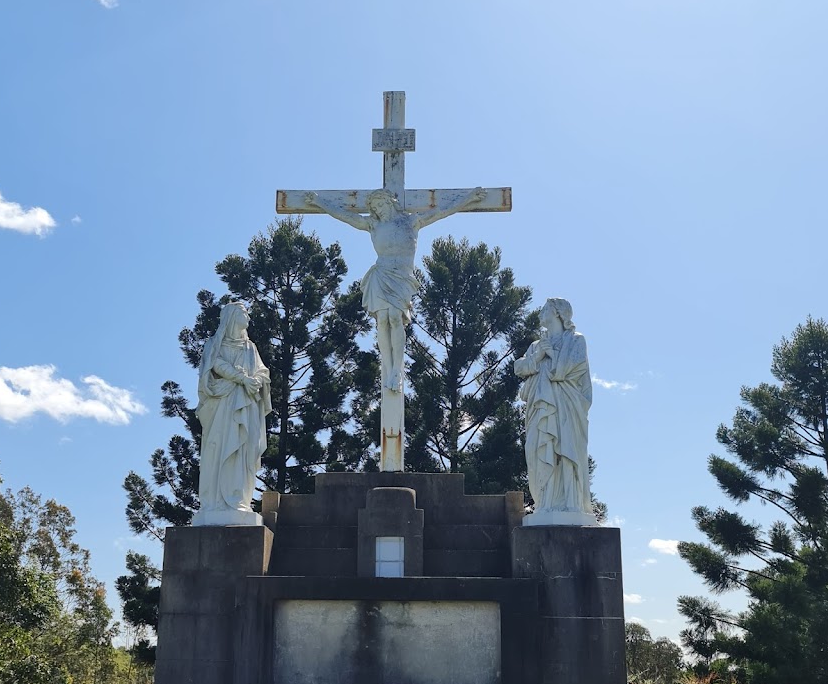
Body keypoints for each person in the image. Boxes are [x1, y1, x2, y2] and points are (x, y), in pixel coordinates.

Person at [303, 186, 486, 393]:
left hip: (401, 276)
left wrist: (469, 198)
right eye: (374, 207)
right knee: (382, 320)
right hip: (381, 274)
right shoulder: (373, 224)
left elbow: (444, 210)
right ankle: (388, 368)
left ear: (390, 202)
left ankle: (397, 369)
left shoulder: (411, 221)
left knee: (394, 318)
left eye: (380, 204)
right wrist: (320, 203)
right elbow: (345, 216)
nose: (378, 210)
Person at [514, 297, 595, 522]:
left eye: (544, 309)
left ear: (558, 313)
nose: (540, 313)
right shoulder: (536, 346)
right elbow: (518, 368)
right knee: (539, 450)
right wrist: (539, 355)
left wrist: (552, 356)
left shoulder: (576, 341)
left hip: (568, 405)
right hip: (540, 407)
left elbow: (571, 367)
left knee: (566, 452)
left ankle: (571, 503)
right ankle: (546, 503)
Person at [192, 302, 272, 526]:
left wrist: (256, 379)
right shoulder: (215, 343)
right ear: (231, 317)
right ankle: (216, 501)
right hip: (223, 405)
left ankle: (238, 499)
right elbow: (214, 364)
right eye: (243, 312)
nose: (247, 316)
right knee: (219, 448)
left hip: (245, 405)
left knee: (242, 451)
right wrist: (241, 379)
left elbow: (263, 371)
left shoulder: (250, 348)